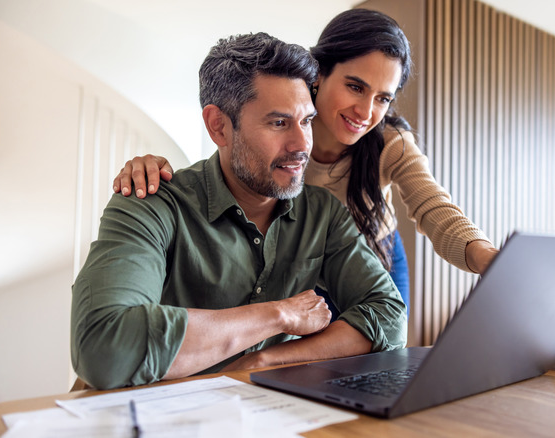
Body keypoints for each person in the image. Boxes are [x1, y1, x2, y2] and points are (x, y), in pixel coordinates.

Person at [71, 32, 406, 390]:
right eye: (278, 123)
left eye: (307, 121)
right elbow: (104, 347)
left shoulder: (323, 214)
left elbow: (389, 317)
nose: (301, 144)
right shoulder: (150, 202)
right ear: (219, 126)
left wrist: (265, 361)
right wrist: (278, 315)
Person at [113, 9, 499, 316]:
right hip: (303, 261)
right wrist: (153, 167)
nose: (366, 112)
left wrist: (489, 259)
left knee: (382, 354)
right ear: (319, 75)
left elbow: (434, 207)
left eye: (383, 98)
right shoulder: (283, 131)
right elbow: (235, 160)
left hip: (375, 252)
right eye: (355, 87)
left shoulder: (389, 143)